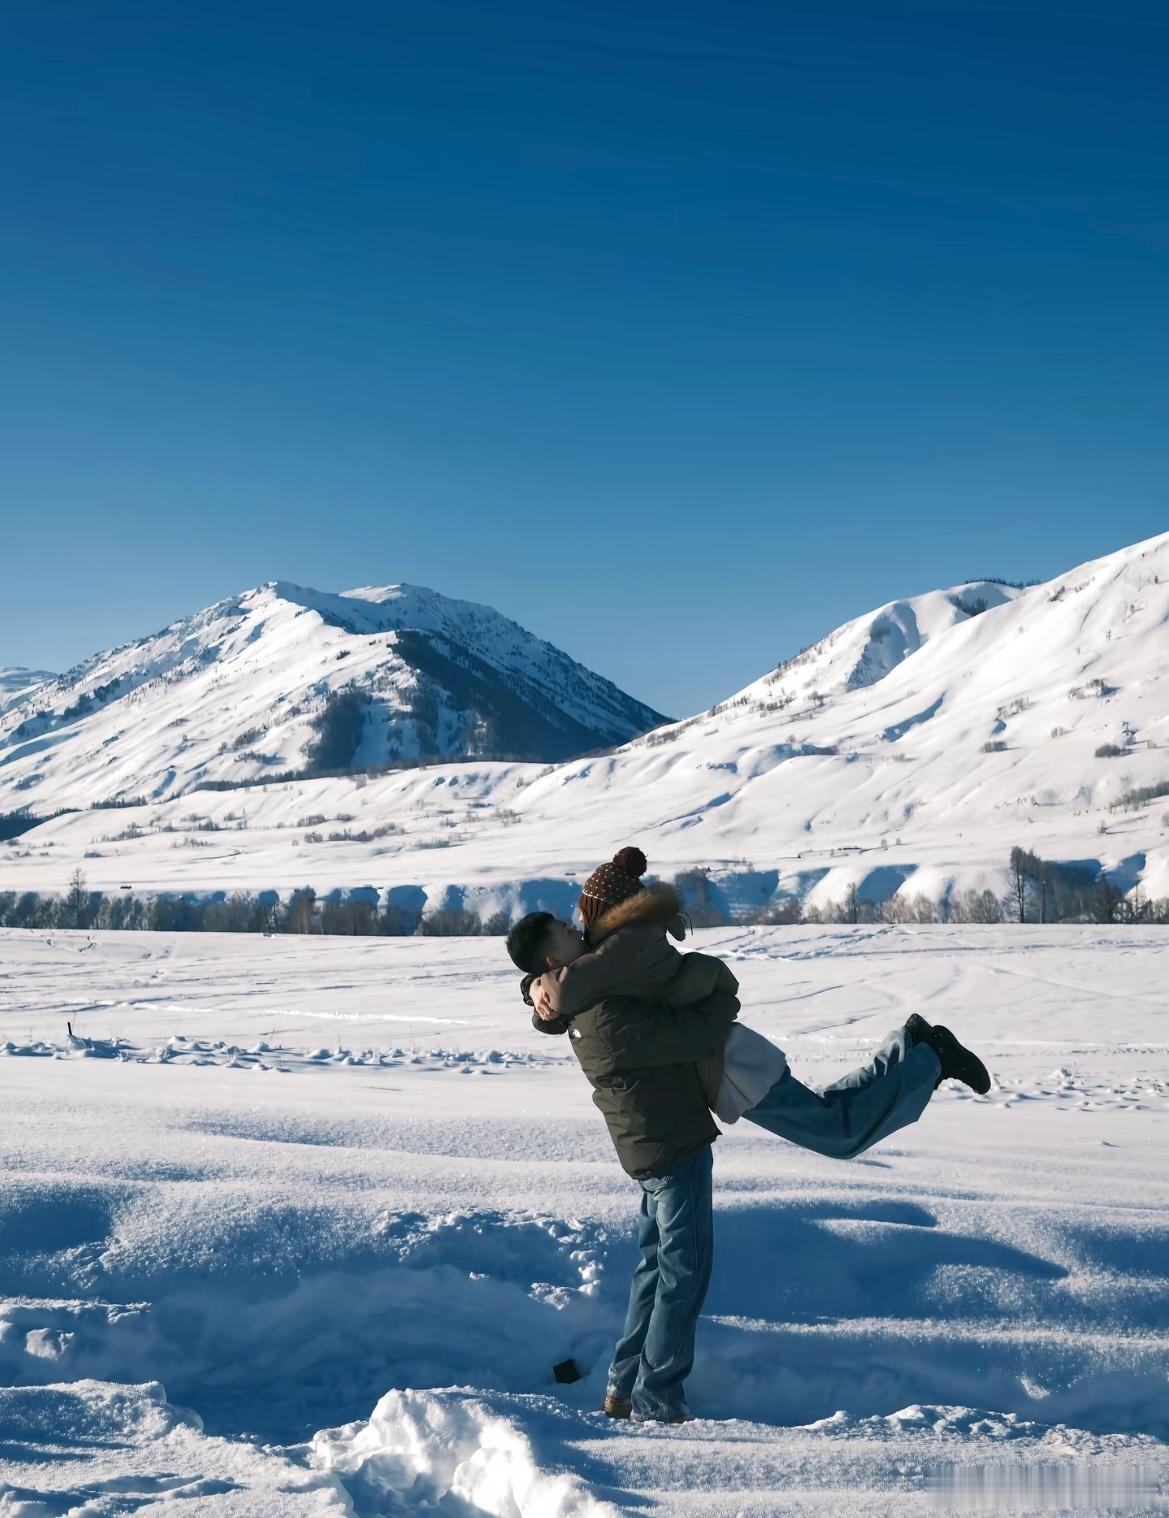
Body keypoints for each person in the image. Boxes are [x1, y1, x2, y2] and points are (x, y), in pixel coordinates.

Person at [505, 847, 989, 1425]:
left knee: (837, 1132)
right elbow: (576, 986)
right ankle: (911, 1048)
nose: (575, 926)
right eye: (566, 927)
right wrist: (541, 987)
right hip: (712, 1076)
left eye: (580, 919)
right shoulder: (601, 969)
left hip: (725, 1064)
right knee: (832, 1123)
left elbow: (592, 985)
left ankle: (925, 1056)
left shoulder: (618, 954)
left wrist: (547, 986)